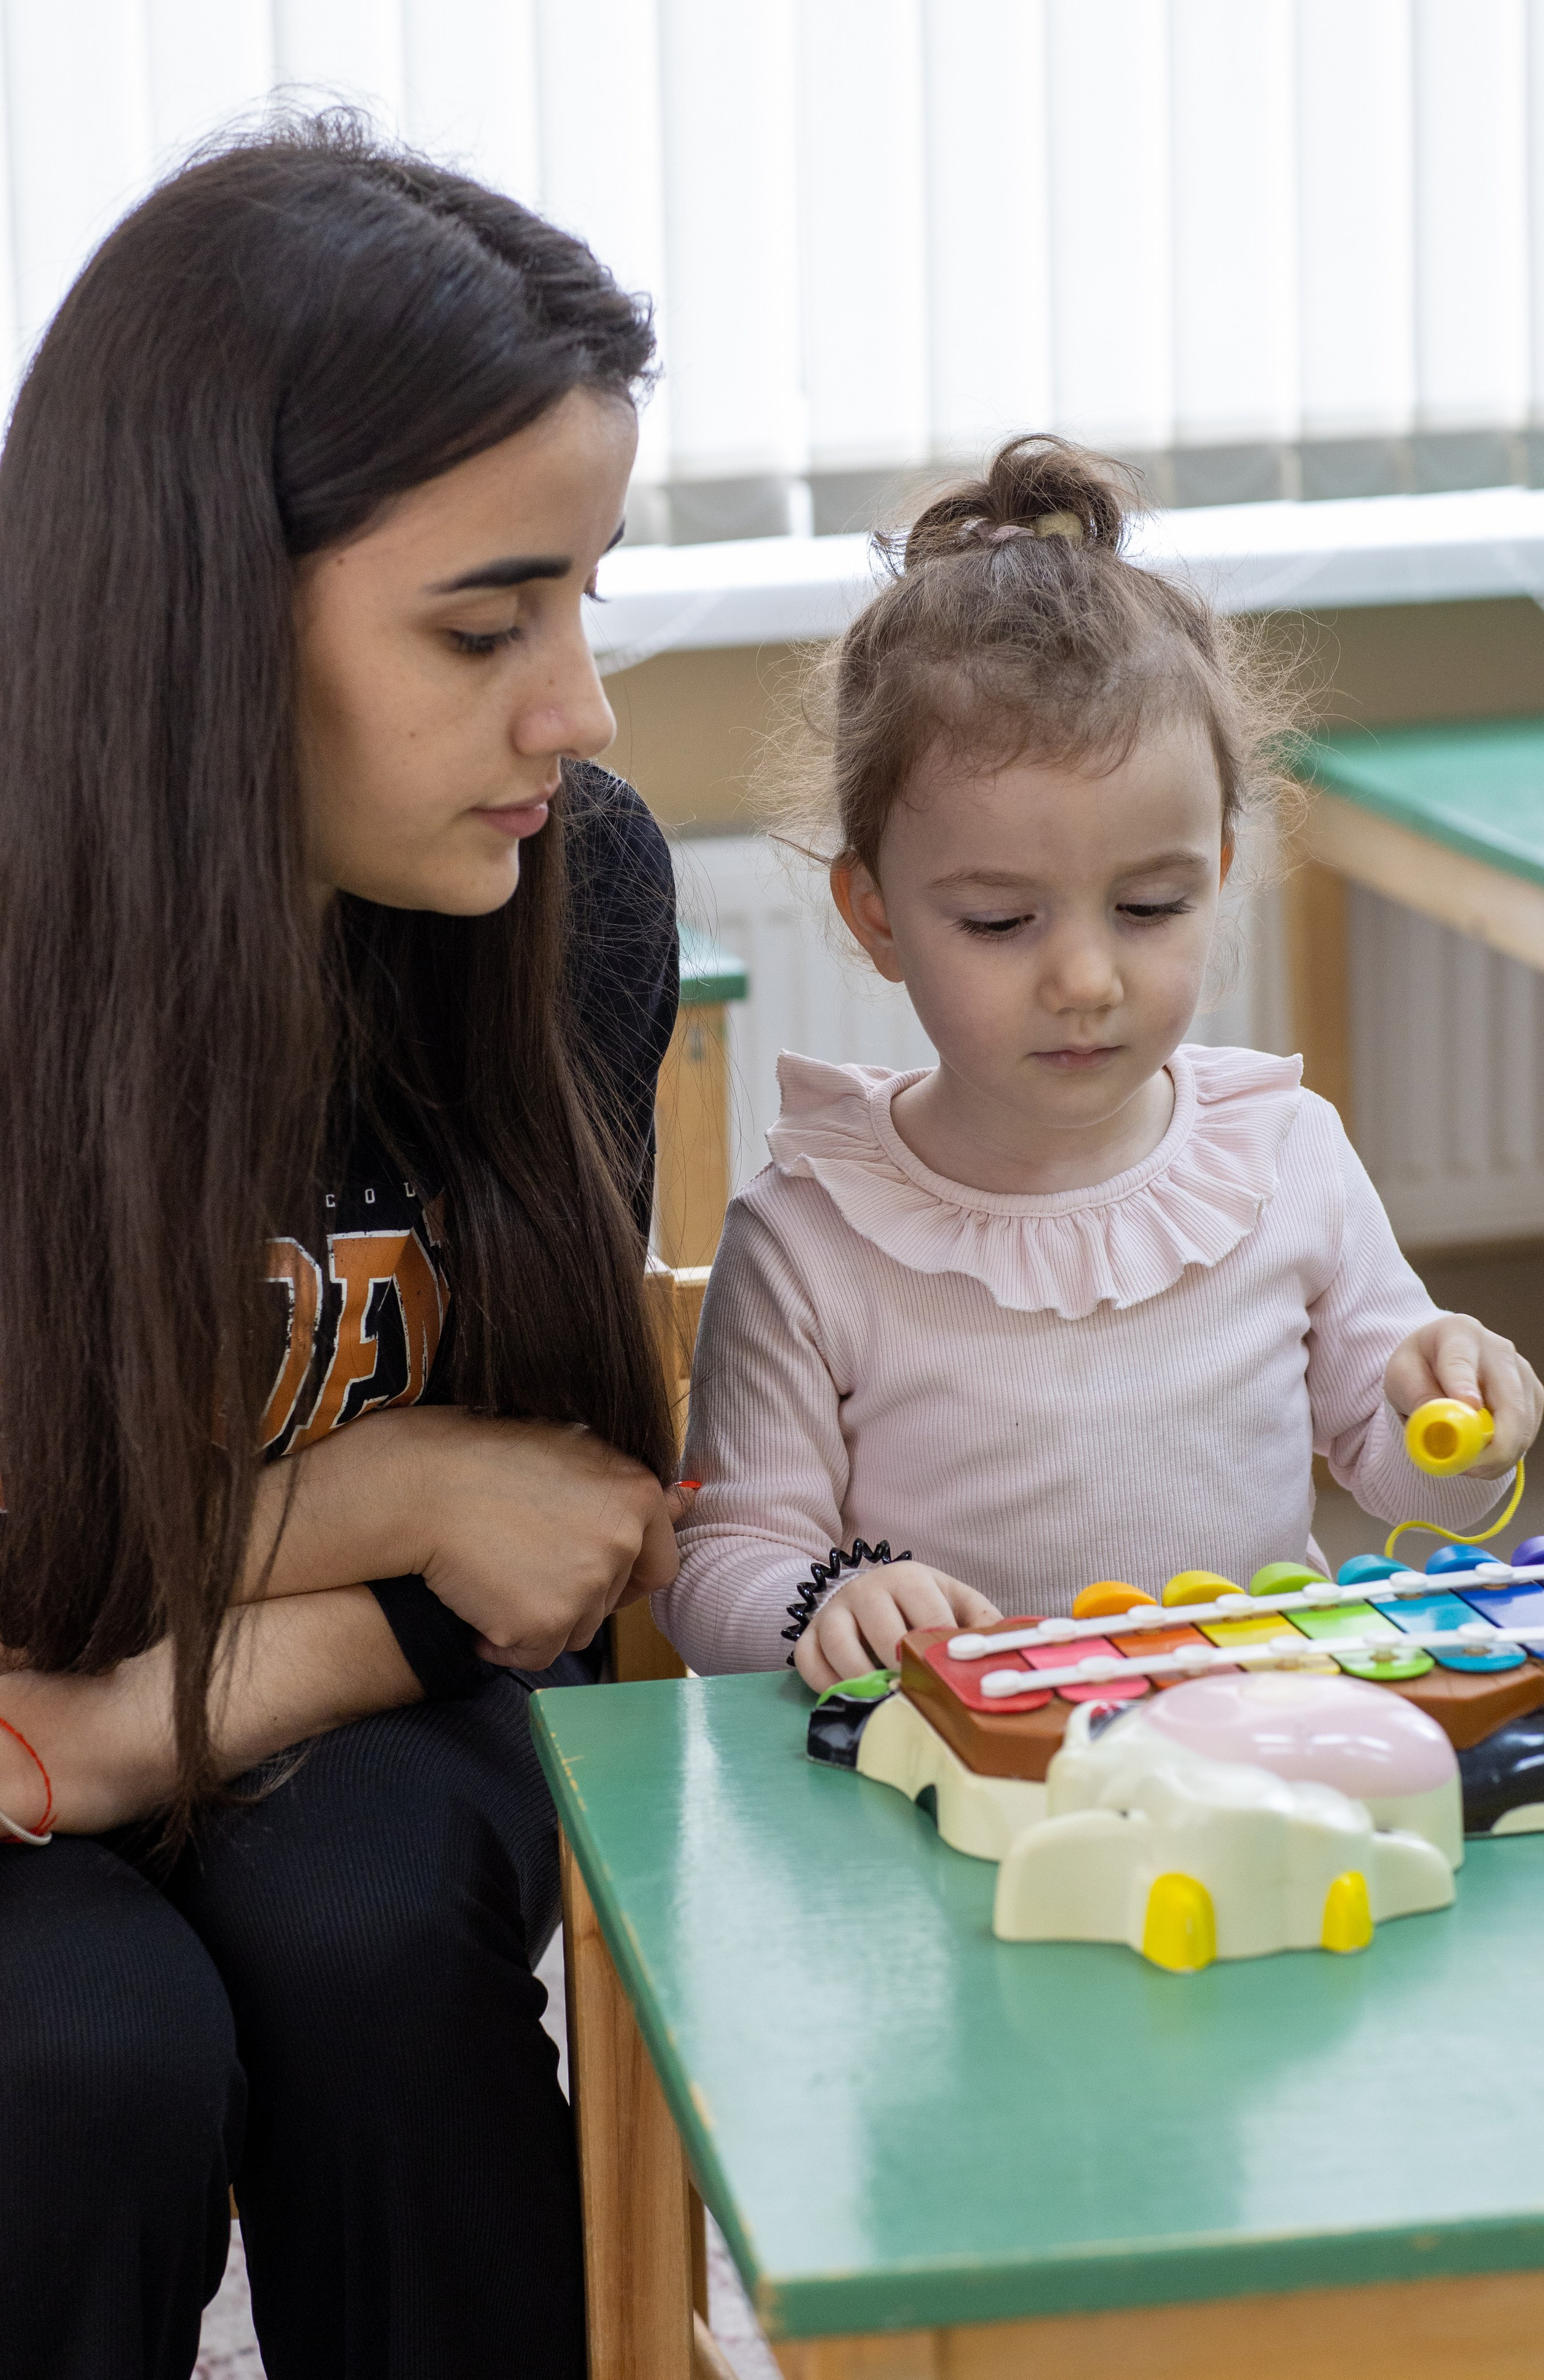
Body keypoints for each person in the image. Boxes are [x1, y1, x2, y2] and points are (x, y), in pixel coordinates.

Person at [0, 116, 691, 2380]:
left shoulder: (566, 888)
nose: (573, 710)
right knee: (80, 2048)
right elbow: (466, 1514)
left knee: (367, 1918)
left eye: (582, 593)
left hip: (355, 1721)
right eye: (487, 621)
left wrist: (100, 1717)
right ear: (196, 607)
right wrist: (397, 1490)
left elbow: (564, 1535)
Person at [660, 435, 1544, 1689]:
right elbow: (722, 1565)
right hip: (937, 1789)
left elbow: (1417, 1492)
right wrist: (828, 1603)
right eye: (998, 921)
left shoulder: (1281, 1153)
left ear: (1217, 875)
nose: (1084, 978)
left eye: (1146, 908)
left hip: (1250, 1756)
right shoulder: (810, 1233)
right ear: (875, 915)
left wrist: (1456, 1423)